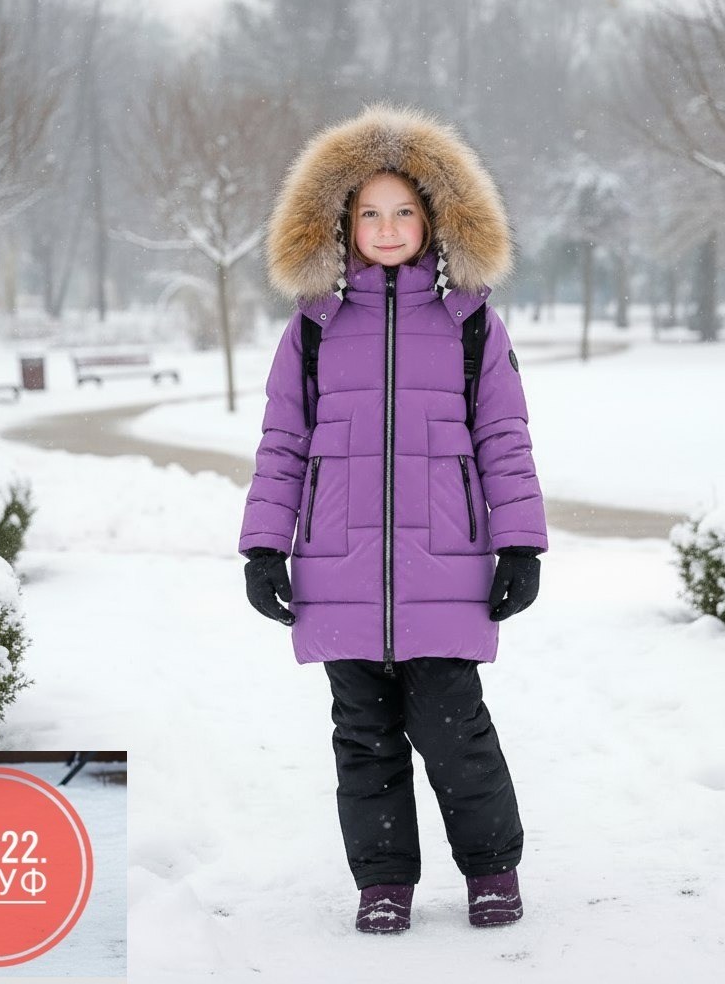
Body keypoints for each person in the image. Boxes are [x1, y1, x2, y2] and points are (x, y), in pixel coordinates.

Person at [238, 104, 548, 934]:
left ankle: (491, 870)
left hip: (444, 564)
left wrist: (520, 541)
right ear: (339, 222)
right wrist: (265, 547)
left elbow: (503, 437)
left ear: (436, 218)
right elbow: (281, 443)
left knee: (456, 736)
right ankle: (383, 883)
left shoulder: (469, 323)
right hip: (337, 569)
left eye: (403, 211)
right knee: (364, 742)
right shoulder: (312, 330)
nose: (385, 227)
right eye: (368, 212)